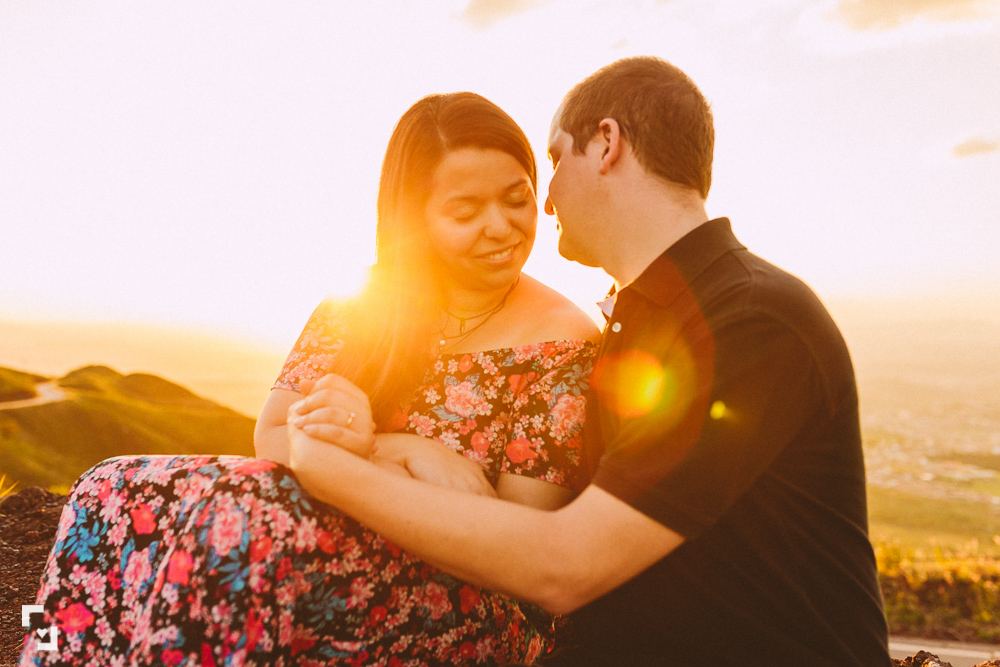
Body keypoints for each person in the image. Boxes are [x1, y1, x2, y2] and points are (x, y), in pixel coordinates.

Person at [285, 57, 892, 666]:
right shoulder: (648, 321)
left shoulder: (751, 319)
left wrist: (333, 462)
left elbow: (564, 566)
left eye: (553, 162)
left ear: (606, 144)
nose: (546, 202)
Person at [20, 92, 599, 667]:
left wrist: (353, 465)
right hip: (329, 540)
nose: (499, 227)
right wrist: (398, 450)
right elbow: (273, 433)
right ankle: (41, 655)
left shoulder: (561, 340)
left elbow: (524, 538)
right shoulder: (362, 303)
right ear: (414, 218)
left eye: (517, 199)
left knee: (245, 513)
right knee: (106, 486)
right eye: (465, 212)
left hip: (472, 598)